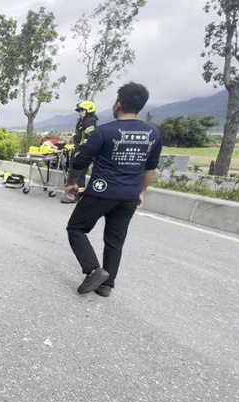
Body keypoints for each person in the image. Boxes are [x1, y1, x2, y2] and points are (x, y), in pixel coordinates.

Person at [65, 82, 162, 297]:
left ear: (118, 104)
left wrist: (72, 182)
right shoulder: (153, 133)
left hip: (101, 192)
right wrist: (141, 191)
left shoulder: (104, 131)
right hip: (129, 197)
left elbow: (81, 161)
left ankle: (93, 271)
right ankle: (106, 285)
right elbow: (150, 169)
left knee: (76, 228)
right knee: (115, 240)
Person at [62, 100, 99, 203]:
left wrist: (81, 148)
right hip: (80, 149)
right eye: (79, 111)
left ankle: (75, 196)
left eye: (82, 110)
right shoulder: (84, 120)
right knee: (77, 173)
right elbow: (80, 135)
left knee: (79, 174)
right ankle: (76, 194)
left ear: (89, 110)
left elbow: (90, 137)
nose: (80, 112)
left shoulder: (89, 121)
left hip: (83, 151)